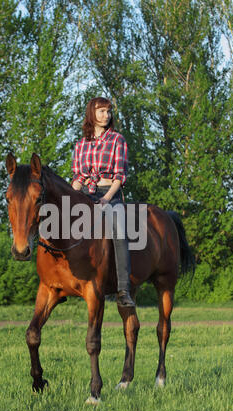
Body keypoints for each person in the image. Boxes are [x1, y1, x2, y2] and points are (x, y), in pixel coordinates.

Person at [71, 97, 135, 308]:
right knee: (63, 226)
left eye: (108, 111)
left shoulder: (117, 140)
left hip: (111, 193)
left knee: (119, 232)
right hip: (87, 194)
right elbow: (79, 177)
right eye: (101, 111)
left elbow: (120, 176)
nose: (106, 115)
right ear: (91, 113)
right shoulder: (81, 144)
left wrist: (107, 198)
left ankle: (123, 290)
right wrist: (68, 197)